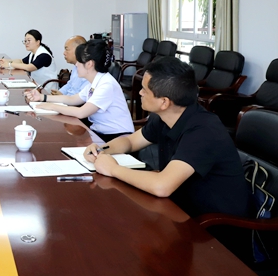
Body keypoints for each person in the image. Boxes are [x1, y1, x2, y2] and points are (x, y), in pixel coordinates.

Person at [84, 56, 250, 218]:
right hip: (179, 206)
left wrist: (113, 169)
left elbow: (162, 186)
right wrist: (102, 150)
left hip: (212, 224)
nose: (140, 92)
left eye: (145, 90)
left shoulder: (204, 131)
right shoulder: (165, 116)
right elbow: (130, 141)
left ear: (164, 102)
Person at [27, 39, 133, 141]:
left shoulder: (106, 84)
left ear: (89, 64)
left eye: (79, 61)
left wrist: (52, 106)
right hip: (100, 133)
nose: (76, 65)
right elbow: (72, 99)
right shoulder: (95, 81)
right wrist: (42, 97)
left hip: (117, 137)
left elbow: (81, 112)